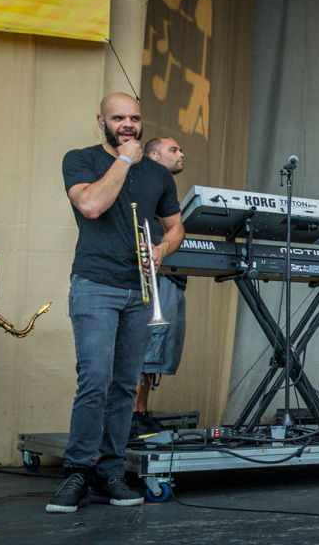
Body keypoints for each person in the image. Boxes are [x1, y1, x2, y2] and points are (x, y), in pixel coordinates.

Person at [49, 93, 184, 513]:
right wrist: (124, 161)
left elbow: (176, 226)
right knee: (95, 379)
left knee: (125, 385)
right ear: (101, 120)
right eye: (119, 118)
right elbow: (91, 205)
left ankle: (109, 473)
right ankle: (78, 471)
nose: (128, 124)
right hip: (95, 284)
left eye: (135, 118)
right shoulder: (82, 160)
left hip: (140, 289)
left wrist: (162, 248)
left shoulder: (159, 175)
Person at [131, 137, 187, 438]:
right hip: (147, 276)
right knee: (142, 345)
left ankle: (140, 411)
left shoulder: (166, 189)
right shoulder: (140, 186)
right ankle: (131, 413)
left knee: (155, 349)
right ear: (153, 156)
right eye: (173, 150)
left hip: (167, 275)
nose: (181, 154)